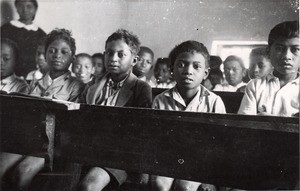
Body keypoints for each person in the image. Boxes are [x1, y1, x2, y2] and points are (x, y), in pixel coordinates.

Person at [0, 28, 84, 190]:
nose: (57, 55)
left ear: (72, 58)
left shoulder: (76, 86)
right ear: (45, 55)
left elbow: (73, 123)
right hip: (27, 139)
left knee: (22, 172)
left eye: (64, 52)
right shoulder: (35, 82)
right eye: (51, 51)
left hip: (53, 146)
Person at [78, 29, 152, 191]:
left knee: (89, 186)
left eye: (121, 54)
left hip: (120, 156)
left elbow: (142, 131)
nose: (113, 59)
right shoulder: (92, 86)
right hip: (89, 150)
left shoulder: (141, 88)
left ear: (134, 60)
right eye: (109, 53)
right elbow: (79, 120)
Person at [152, 40, 226, 191]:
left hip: (200, 161)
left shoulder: (214, 102)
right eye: (181, 65)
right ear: (172, 69)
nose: (188, 71)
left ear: (205, 73)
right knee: (160, 185)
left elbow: (220, 143)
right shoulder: (161, 100)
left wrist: (210, 178)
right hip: (169, 159)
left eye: (196, 66)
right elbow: (155, 138)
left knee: (185, 187)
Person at [238, 20, 299, 117]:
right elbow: (245, 124)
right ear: (269, 52)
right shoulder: (255, 85)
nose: (287, 56)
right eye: (279, 49)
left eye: (295, 49)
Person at [1, 0, 46, 78]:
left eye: (29, 6)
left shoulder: (41, 34)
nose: (25, 10)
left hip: (33, 76)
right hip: (9, 76)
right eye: (21, 6)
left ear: (35, 9)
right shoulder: (6, 29)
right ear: (16, 8)